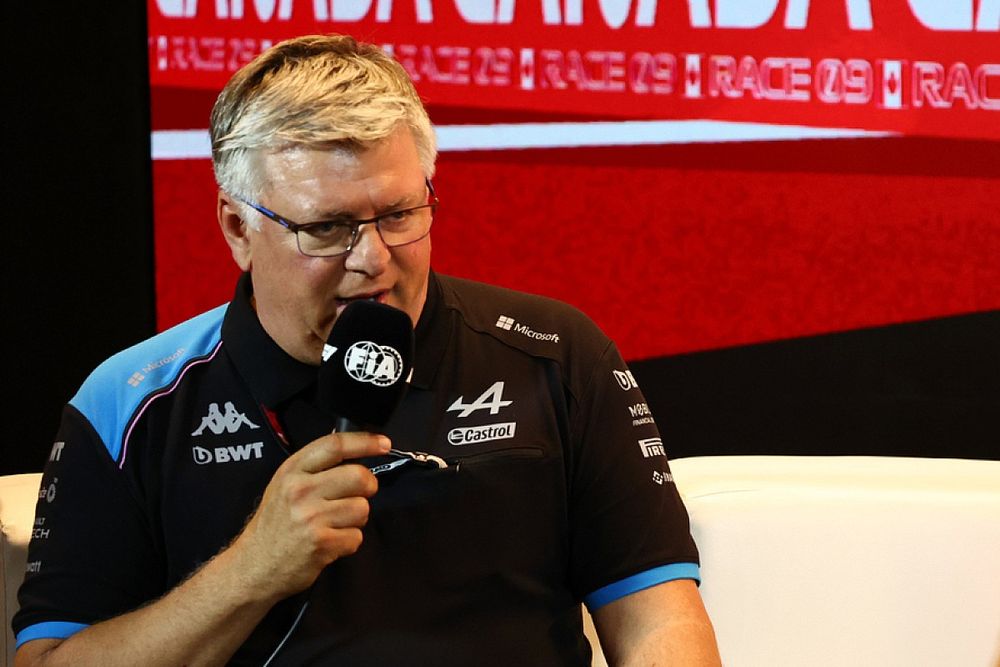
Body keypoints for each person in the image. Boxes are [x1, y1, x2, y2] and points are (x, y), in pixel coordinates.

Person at [13, 34, 721, 666]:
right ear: (236, 226)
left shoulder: (559, 355)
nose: (373, 259)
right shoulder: (126, 401)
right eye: (327, 227)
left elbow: (658, 614)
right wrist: (249, 570)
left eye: (400, 214)